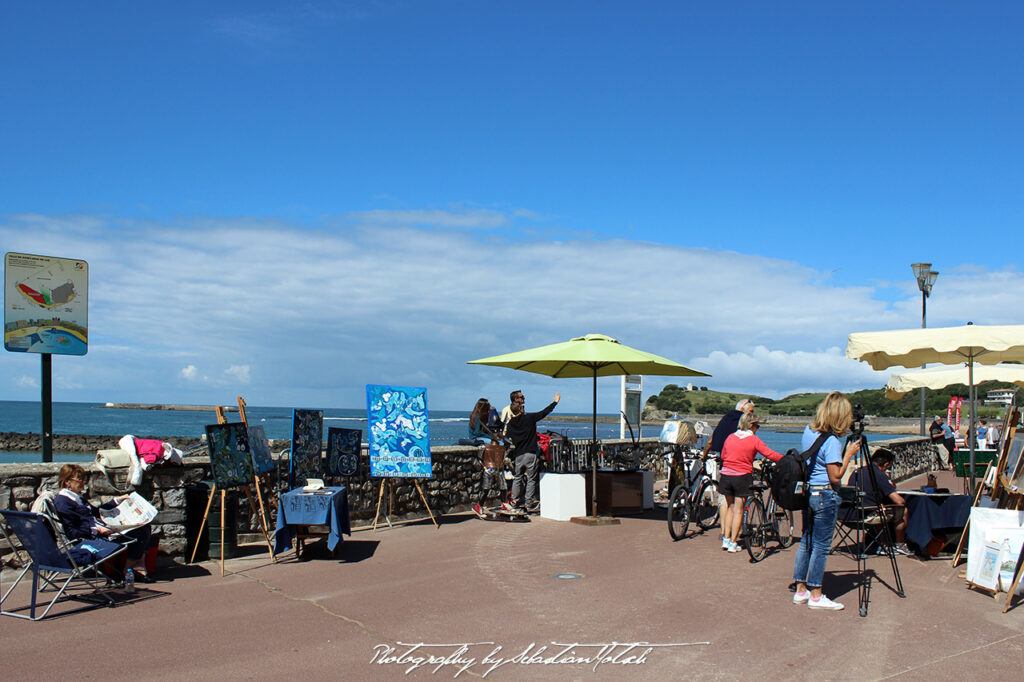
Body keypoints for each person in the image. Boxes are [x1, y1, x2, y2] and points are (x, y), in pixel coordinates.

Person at [791, 391, 860, 611]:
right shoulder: (832, 442)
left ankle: (801, 589)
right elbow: (836, 477)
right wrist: (848, 454)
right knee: (820, 546)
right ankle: (816, 593)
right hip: (825, 495)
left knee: (806, 542)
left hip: (809, 493)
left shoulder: (808, 431)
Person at [51, 463, 155, 583]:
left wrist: (117, 500)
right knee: (141, 531)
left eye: (84, 479)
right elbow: (72, 532)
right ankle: (130, 569)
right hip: (93, 539)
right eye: (79, 479)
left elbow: (97, 512)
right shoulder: (63, 502)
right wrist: (97, 530)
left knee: (144, 524)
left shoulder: (76, 497)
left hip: (101, 531)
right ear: (67, 482)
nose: (83, 482)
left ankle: (135, 567)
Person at [719, 412, 783, 553]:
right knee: (739, 511)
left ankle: (726, 539)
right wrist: (784, 459)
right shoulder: (753, 440)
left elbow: (723, 455)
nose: (757, 428)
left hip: (726, 475)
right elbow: (769, 454)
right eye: (757, 426)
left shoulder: (730, 437)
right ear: (751, 425)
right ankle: (733, 543)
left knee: (730, 508)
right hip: (741, 476)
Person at [849, 448, 912, 556]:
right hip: (867, 515)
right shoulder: (879, 475)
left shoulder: (857, 471)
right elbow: (899, 501)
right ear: (886, 464)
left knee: (878, 508)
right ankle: (899, 545)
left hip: (848, 514)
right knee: (902, 510)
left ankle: (882, 544)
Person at [506, 392, 560, 513]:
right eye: (523, 407)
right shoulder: (529, 418)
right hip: (530, 452)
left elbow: (507, 438)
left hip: (519, 454)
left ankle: (514, 502)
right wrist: (555, 402)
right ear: (519, 410)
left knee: (517, 478)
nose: (524, 408)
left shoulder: (510, 424)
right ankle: (529, 503)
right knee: (531, 479)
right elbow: (543, 413)